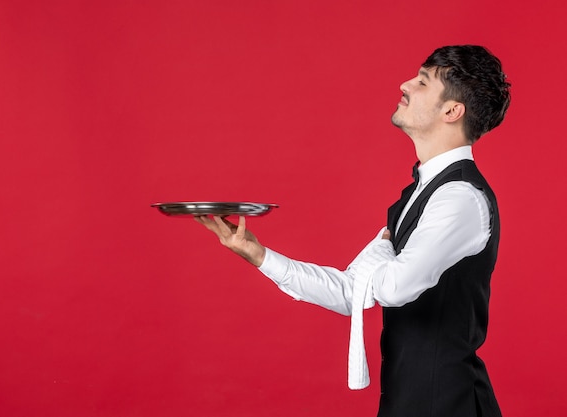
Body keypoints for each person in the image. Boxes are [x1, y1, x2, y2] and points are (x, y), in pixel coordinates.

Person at [195, 45, 510, 417]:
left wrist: (380, 255)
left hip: (447, 403)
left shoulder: (459, 198)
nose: (405, 84)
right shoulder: (420, 193)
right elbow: (351, 291)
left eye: (422, 82)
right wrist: (258, 254)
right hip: (406, 400)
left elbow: (394, 287)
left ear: (452, 111)